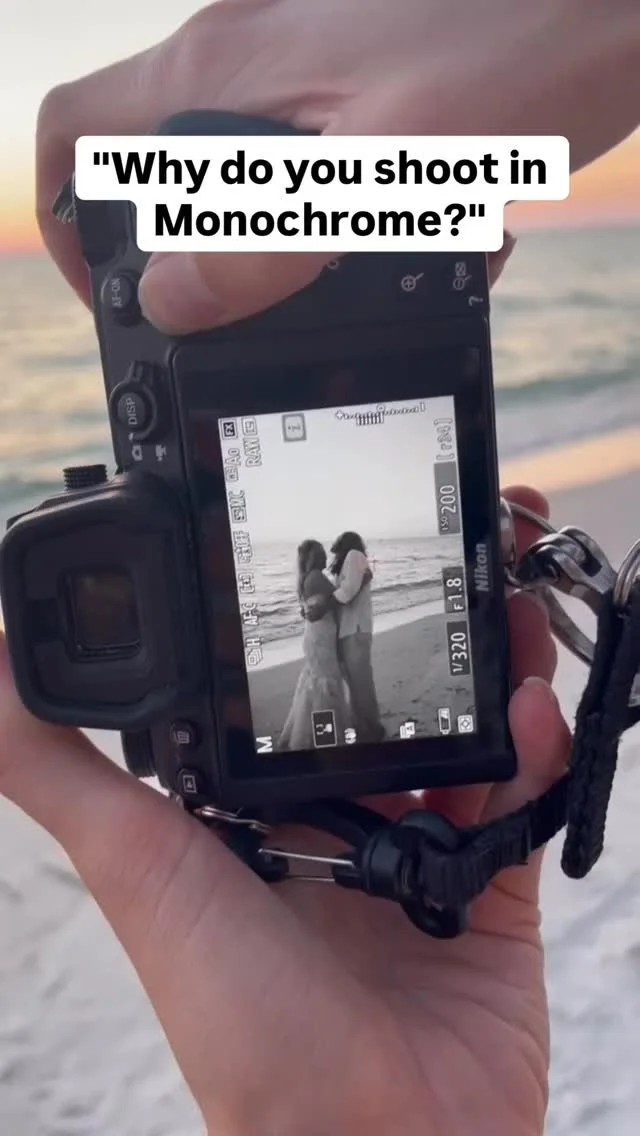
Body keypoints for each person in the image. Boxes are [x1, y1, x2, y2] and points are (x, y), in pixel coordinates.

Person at [13, 0, 637, 1130]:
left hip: (368, 811)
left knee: (350, 688)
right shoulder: (322, 583)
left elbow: (339, 603)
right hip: (381, 845)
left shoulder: (331, 582)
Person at [278, 539, 350, 750]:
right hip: (321, 639)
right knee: (324, 686)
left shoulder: (306, 579)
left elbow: (322, 603)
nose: (326, 556)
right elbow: (342, 599)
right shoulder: (316, 577)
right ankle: (325, 738)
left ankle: (318, 734)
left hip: (317, 636)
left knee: (316, 683)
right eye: (321, 553)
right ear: (312, 558)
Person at [329, 531, 385, 743]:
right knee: (354, 680)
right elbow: (348, 589)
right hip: (349, 629)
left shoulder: (354, 555)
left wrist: (324, 603)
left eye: (338, 541)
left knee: (361, 680)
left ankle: (373, 726)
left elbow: (348, 591)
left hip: (356, 628)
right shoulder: (349, 560)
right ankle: (362, 724)